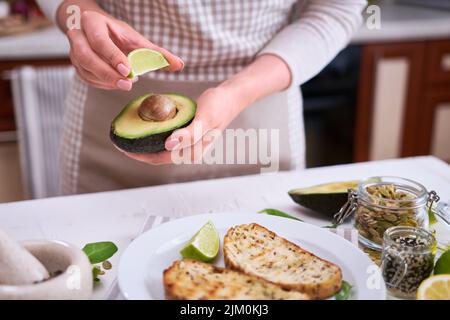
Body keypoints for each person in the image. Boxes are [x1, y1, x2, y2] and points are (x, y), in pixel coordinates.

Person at [37, 0, 365, 195]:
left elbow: (335, 9)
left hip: (256, 115)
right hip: (114, 114)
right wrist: (79, 13)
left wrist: (237, 92)